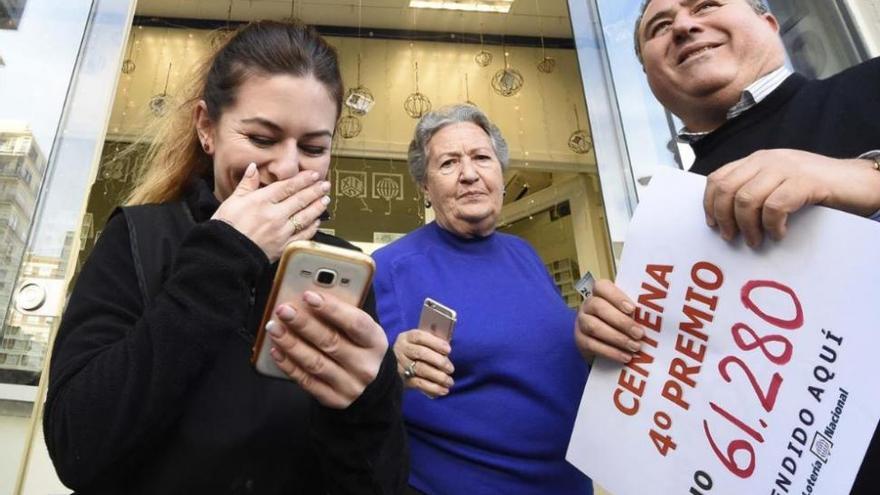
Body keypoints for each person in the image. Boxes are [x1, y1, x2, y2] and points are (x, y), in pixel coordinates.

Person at [43, 20, 407, 494]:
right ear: (206, 128)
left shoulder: (338, 268)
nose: (288, 166)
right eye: (261, 139)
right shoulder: (141, 237)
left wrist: (370, 399)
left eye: (314, 147)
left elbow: (376, 482)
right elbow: (77, 446)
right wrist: (224, 256)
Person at [577, 0, 880, 491]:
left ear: (767, 23)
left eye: (707, 5)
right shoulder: (667, 219)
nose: (684, 25)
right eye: (659, 27)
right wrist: (612, 344)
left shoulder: (870, 88)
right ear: (650, 77)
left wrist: (865, 176)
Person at [372, 104, 592, 494]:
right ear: (425, 186)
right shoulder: (389, 268)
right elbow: (360, 381)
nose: (469, 174)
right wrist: (392, 362)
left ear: (501, 174)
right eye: (448, 163)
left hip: (567, 482)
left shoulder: (524, 253)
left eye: (481, 158)